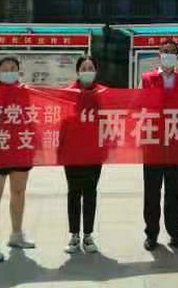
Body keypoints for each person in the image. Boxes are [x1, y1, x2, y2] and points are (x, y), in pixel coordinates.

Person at [141, 39, 178, 251]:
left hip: (175, 140)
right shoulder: (148, 78)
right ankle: (151, 233)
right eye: (165, 51)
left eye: (172, 52)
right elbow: (143, 106)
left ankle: (174, 232)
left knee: (174, 191)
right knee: (152, 191)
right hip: (153, 142)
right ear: (159, 55)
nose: (168, 54)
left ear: (177, 56)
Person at [0, 56, 35, 263]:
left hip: (21, 147)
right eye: (5, 69)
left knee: (18, 192)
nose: (9, 72)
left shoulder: (26, 92)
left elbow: (32, 117)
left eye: (13, 68)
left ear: (19, 71)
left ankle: (16, 234)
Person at [63, 55, 107, 255]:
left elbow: (109, 120)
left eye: (91, 68)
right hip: (72, 151)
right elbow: (62, 121)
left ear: (96, 71)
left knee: (90, 192)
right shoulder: (67, 93)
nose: (87, 71)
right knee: (73, 192)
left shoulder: (103, 93)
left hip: (94, 151)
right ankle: (74, 235)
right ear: (77, 71)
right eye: (84, 68)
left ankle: (88, 235)